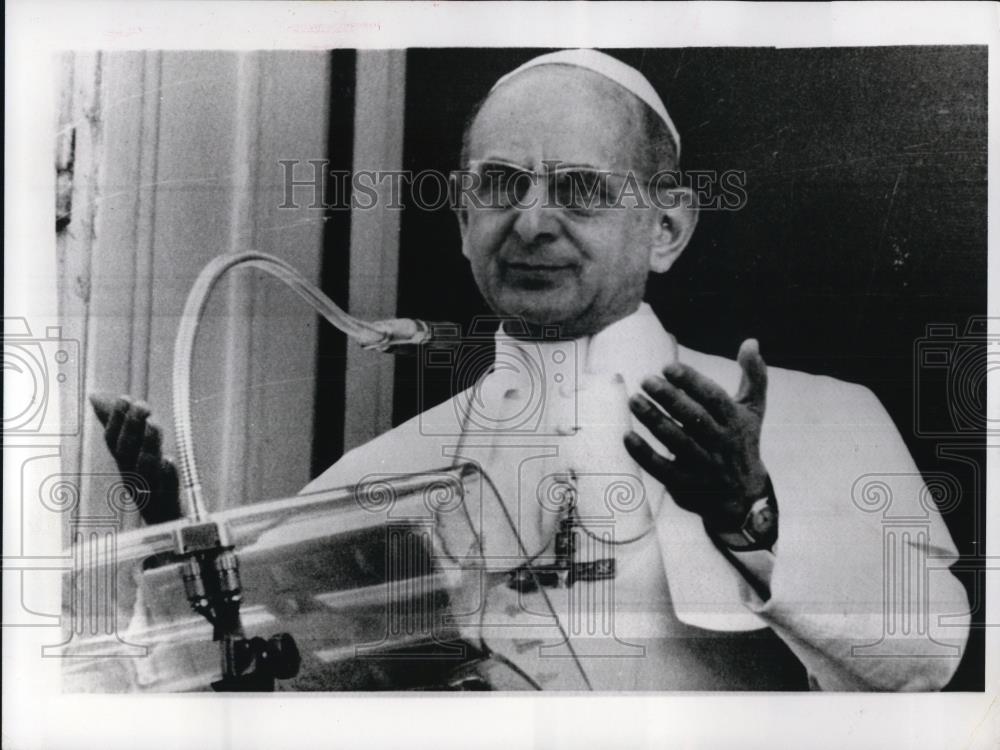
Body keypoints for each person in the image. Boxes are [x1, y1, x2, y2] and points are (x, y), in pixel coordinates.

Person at [97, 49, 970, 691]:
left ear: (666, 228)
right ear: (463, 216)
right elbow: (230, 684)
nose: (532, 223)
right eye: (501, 185)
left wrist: (750, 515)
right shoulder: (380, 474)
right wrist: (180, 556)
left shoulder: (825, 416)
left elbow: (929, 656)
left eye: (581, 190)